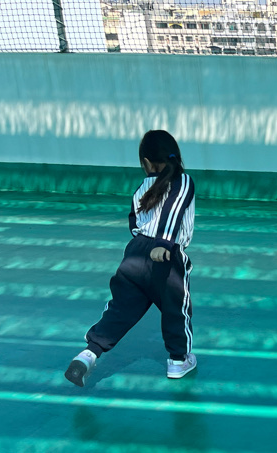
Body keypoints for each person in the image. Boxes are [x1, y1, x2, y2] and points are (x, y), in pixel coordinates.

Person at [65, 129, 197, 386]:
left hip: (134, 256)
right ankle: (178, 361)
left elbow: (134, 223)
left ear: (146, 163)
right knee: (176, 309)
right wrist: (163, 243)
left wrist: (145, 245)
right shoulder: (183, 181)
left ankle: (88, 354)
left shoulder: (141, 188)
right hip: (166, 256)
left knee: (120, 310)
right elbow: (173, 210)